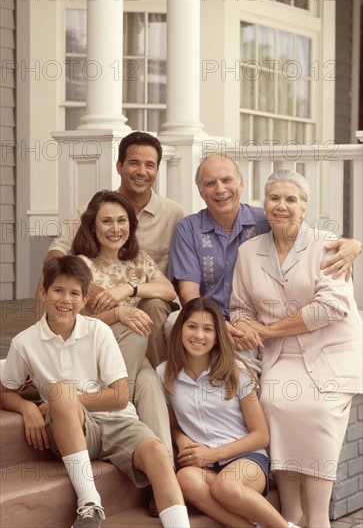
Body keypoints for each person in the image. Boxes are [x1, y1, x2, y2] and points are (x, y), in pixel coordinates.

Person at [0, 256, 191, 528]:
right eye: (58, 290)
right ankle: (90, 504)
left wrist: (53, 403)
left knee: (158, 454)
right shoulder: (24, 343)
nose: (66, 300)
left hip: (117, 421)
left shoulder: (99, 331)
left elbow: (120, 396)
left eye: (75, 293)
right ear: (43, 292)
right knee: (62, 393)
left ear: (85, 298)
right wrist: (28, 407)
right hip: (70, 428)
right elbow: (4, 391)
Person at [229, 169, 362, 527]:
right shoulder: (248, 251)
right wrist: (243, 326)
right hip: (281, 356)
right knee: (273, 402)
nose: (282, 206)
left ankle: (318, 519)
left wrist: (267, 328)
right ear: (264, 205)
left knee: (316, 410)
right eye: (275, 198)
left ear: (304, 207)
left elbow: (331, 307)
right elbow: (240, 307)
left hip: (330, 353)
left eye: (291, 199)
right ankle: (291, 514)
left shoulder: (328, 245)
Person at [166, 153, 362, 369]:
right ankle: (179, 391)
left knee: (242, 379)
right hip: (207, 321)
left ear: (241, 184)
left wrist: (354, 244)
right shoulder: (188, 229)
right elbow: (189, 294)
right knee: (172, 322)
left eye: (227, 180)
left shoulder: (267, 218)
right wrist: (218, 325)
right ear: (201, 191)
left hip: (249, 325)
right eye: (210, 183)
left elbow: (304, 233)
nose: (220, 189)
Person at [42, 131, 185, 367]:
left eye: (149, 165)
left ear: (157, 171)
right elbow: (57, 253)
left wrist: (129, 290)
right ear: (119, 166)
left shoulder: (174, 214)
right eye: (134, 163)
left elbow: (172, 286)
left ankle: (158, 375)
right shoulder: (93, 209)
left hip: (148, 304)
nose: (142, 171)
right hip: (99, 307)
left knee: (155, 305)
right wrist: (90, 289)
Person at [157, 297, 300, 528]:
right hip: (205, 465)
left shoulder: (236, 370)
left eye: (207, 329)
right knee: (185, 479)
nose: (198, 336)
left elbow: (261, 435)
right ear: (180, 329)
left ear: (216, 338)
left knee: (227, 486)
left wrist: (212, 454)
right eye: (192, 326)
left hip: (247, 459)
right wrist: (181, 439)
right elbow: (172, 424)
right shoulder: (164, 374)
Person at [71, 190, 176, 458]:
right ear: (92, 227)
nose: (115, 229)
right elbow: (74, 322)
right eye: (107, 222)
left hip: (132, 356)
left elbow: (168, 291)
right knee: (135, 325)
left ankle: (165, 471)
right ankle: (116, 409)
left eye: (122, 221)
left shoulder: (138, 260)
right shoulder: (80, 266)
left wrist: (129, 289)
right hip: (93, 355)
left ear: (131, 225)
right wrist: (119, 315)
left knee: (151, 383)